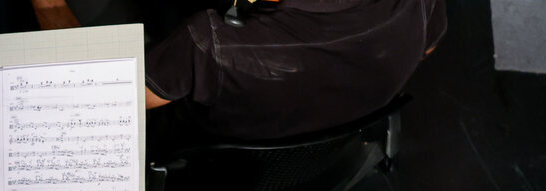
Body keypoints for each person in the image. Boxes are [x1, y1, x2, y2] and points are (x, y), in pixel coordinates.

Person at [30, 0, 448, 140]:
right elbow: (427, 47)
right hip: (326, 156)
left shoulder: (209, 41)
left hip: (212, 170)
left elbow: (103, 95)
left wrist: (48, 6)